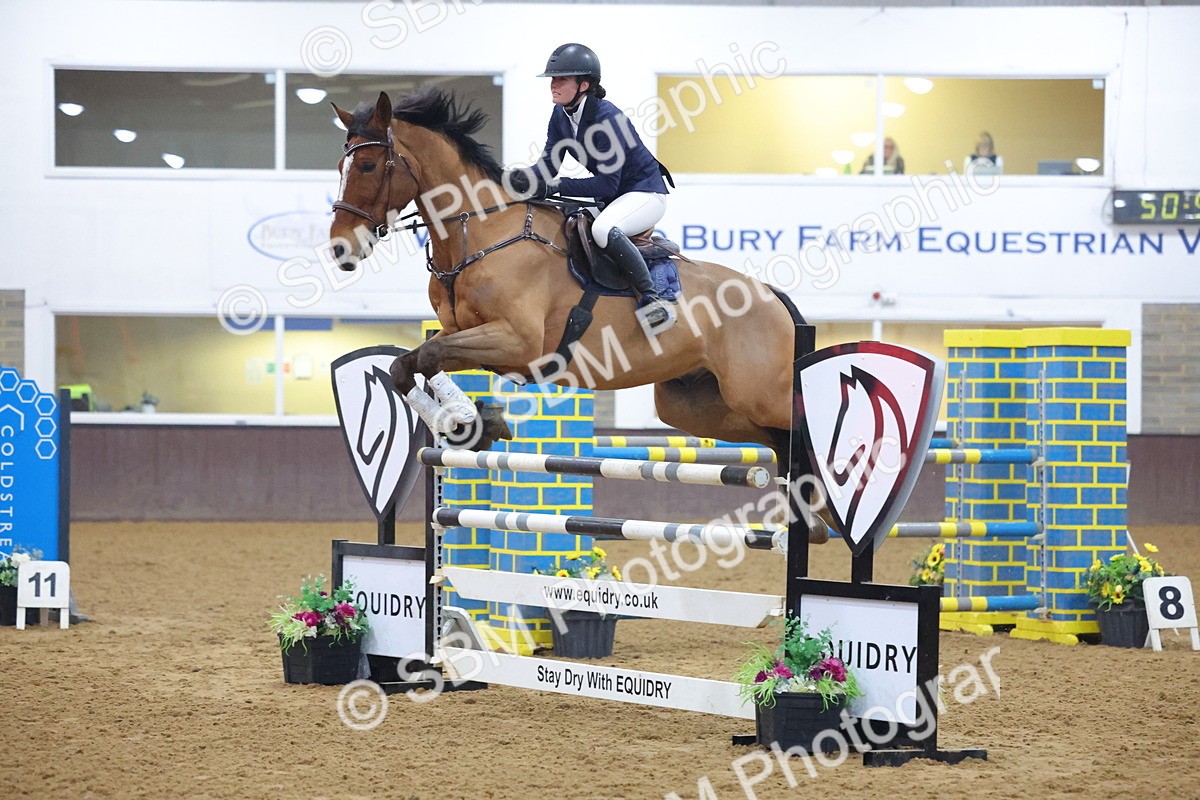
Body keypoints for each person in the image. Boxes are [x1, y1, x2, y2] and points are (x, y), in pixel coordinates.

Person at [506, 43, 676, 332]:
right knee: (565, 223)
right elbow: (548, 167)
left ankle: (653, 299)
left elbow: (606, 184)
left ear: (584, 85)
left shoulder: (607, 119)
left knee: (602, 230)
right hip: (615, 197)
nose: (553, 84)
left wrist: (556, 186)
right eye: (552, 79)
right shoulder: (560, 115)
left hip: (645, 193)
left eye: (561, 79)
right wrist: (517, 179)